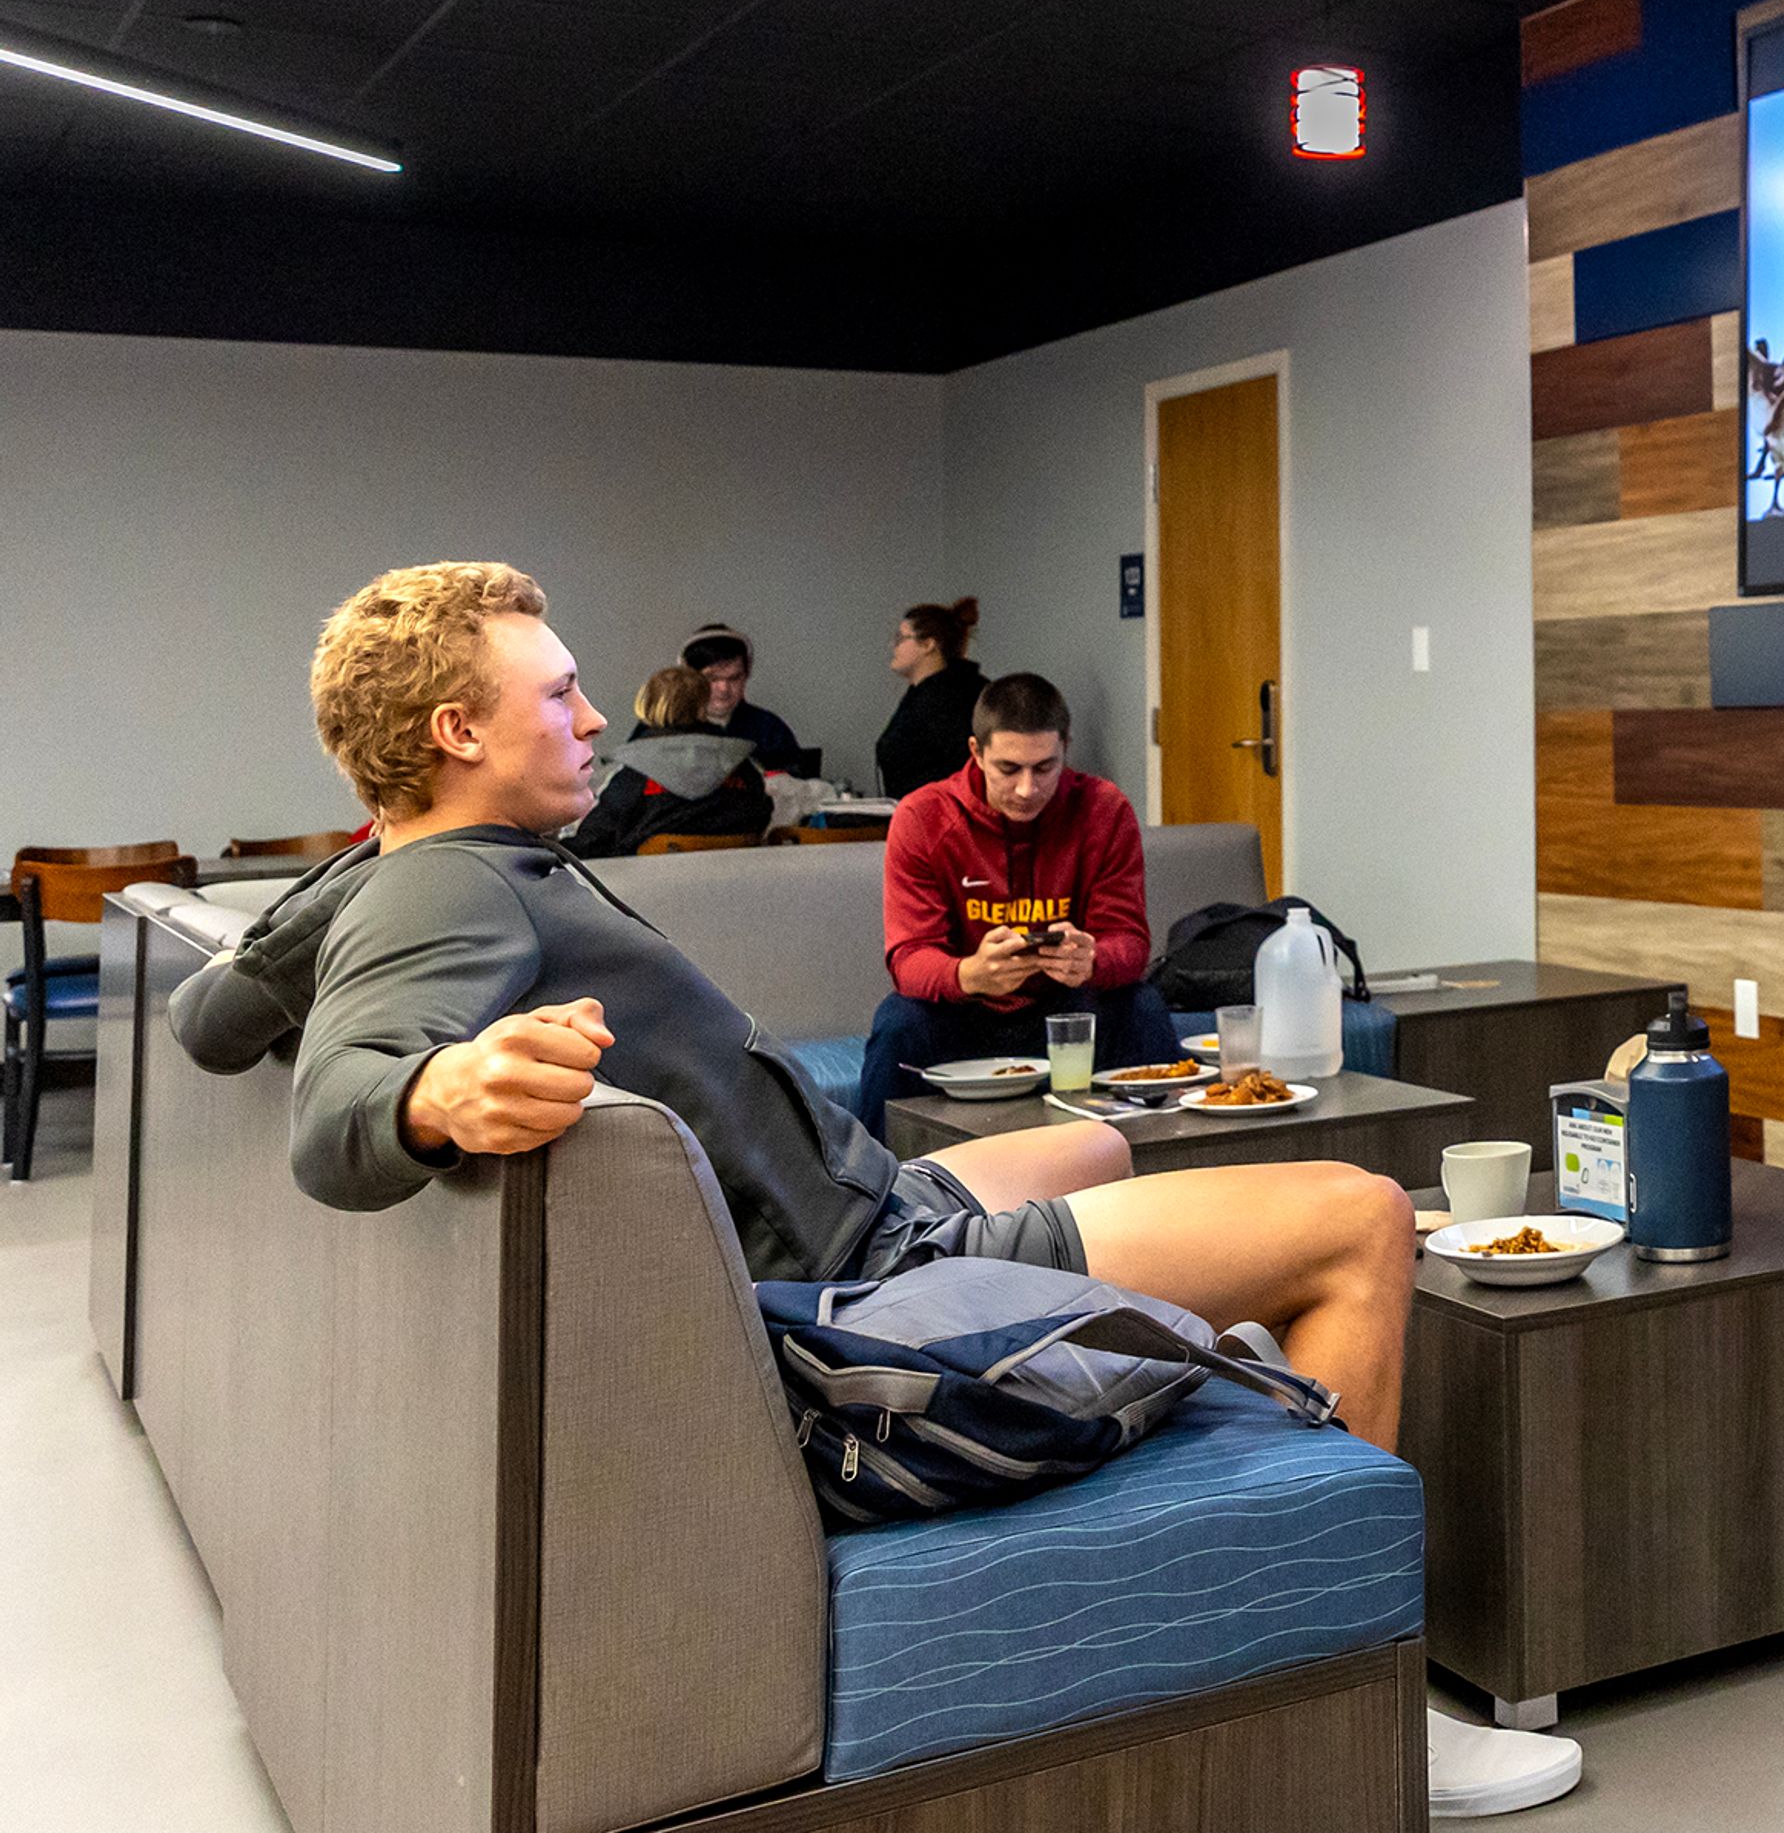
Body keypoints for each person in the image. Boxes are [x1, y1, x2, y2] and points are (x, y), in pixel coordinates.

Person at [165, 563, 1578, 1816]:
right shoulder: (447, 894)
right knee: (1360, 1216)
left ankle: (1224, 1380)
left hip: (872, 1203)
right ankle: (1368, 1690)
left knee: (1096, 1139)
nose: (596, 718)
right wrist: (434, 1091)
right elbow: (334, 1124)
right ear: (455, 733)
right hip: (867, 1291)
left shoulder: (409, 870)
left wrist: (357, 869)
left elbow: (211, 1017)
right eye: (563, 691)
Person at [860, 672, 1180, 1136]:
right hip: (964, 1011)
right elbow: (909, 958)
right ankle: (866, 1191)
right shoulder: (924, 817)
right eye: (1009, 769)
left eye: (1045, 768)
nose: (1028, 789)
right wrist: (969, 974)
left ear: (1066, 748)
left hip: (1069, 1007)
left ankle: (1171, 1172)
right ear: (976, 753)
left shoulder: (1104, 810)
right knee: (898, 1023)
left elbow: (1129, 942)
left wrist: (1092, 959)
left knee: (1141, 1006)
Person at [566, 664, 771, 858]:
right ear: (703, 704)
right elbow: (762, 815)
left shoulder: (635, 772)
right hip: (737, 886)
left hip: (645, 890)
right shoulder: (742, 766)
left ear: (648, 705)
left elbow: (593, 840)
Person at [875, 598, 986, 799]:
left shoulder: (952, 699)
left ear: (928, 644)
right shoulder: (922, 694)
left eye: (900, 638)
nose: (893, 646)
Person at [680, 625, 806, 773]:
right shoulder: (667, 729)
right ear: (689, 678)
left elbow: (799, 783)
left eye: (734, 678)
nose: (724, 688)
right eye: (712, 679)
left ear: (746, 676)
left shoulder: (769, 729)